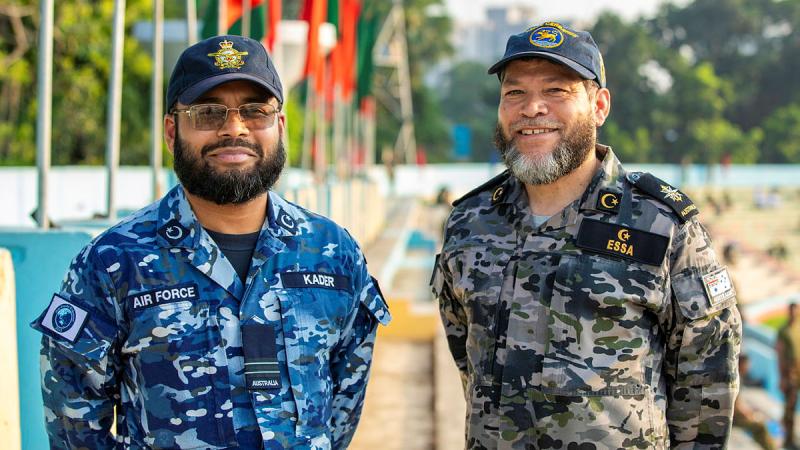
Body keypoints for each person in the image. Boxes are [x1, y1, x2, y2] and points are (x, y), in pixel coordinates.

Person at [32, 35, 391, 449]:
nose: (234, 129)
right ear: (172, 132)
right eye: (207, 113)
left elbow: (341, 407)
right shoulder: (113, 261)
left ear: (280, 126)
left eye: (255, 112)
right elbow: (73, 420)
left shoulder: (333, 254)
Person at [430, 21, 741, 449]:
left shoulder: (661, 227)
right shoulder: (470, 222)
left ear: (599, 106)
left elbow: (707, 386)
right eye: (515, 92)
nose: (532, 108)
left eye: (557, 91)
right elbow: (468, 358)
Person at [733, 354, 778, 450]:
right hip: (734, 418)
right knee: (760, 427)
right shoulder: (736, 379)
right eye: (747, 364)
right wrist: (750, 414)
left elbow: (739, 403)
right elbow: (736, 407)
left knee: (760, 421)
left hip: (736, 414)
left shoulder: (739, 377)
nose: (749, 367)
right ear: (741, 364)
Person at [777, 303, 800, 448]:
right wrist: (783, 377)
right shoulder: (783, 331)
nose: (794, 313)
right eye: (791, 311)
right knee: (789, 407)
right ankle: (788, 438)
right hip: (789, 374)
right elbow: (779, 354)